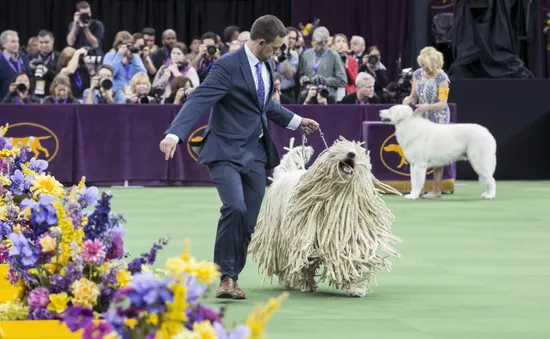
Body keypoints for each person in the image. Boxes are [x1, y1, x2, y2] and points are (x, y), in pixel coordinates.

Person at [159, 15, 319, 299]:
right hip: (225, 152)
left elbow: (263, 105)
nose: (278, 52)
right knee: (234, 208)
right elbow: (200, 99)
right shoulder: (226, 66)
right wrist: (174, 134)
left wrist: (296, 120)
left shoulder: (267, 64)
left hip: (255, 154)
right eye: (275, 47)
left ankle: (233, 275)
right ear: (260, 43)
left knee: (248, 222)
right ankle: (226, 278)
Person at [403, 46, 451, 199]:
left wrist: (426, 107)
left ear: (435, 63)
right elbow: (413, 96)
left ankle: (436, 190)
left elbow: (442, 103)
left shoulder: (442, 79)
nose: (424, 69)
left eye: (427, 66)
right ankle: (417, 188)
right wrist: (407, 101)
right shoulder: (417, 74)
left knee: (436, 153)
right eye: (423, 66)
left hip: (438, 117)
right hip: (421, 116)